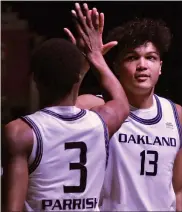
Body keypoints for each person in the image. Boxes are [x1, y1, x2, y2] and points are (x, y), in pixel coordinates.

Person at [2, 3, 129, 212]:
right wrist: (95, 56)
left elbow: (11, 208)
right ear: (77, 78)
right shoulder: (100, 122)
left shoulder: (21, 133)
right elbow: (121, 103)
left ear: (35, 80)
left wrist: (81, 65)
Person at [72, 12, 182, 211]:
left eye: (151, 58)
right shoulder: (94, 107)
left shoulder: (177, 115)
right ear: (116, 67)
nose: (142, 65)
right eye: (132, 57)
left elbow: (179, 190)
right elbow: (58, 113)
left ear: (160, 67)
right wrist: (84, 64)